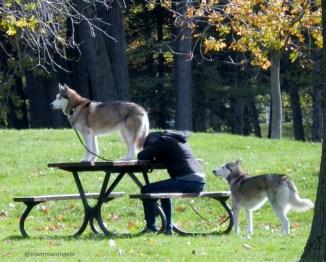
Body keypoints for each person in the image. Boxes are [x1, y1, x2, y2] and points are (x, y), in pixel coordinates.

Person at [137, 131, 205, 235]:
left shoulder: (163, 140)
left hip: (187, 180)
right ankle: (167, 228)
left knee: (146, 190)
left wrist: (150, 152)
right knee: (165, 192)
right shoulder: (176, 140)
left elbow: (142, 155)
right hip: (198, 181)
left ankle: (151, 227)